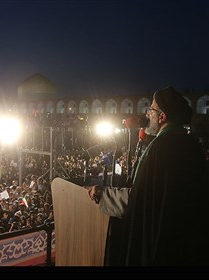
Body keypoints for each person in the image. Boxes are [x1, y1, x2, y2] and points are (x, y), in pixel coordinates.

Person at [86, 86, 209, 266]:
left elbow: (140, 200)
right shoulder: (192, 145)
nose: (147, 113)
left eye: (151, 109)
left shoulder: (160, 149)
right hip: (187, 244)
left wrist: (104, 194)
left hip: (161, 245)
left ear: (162, 116)